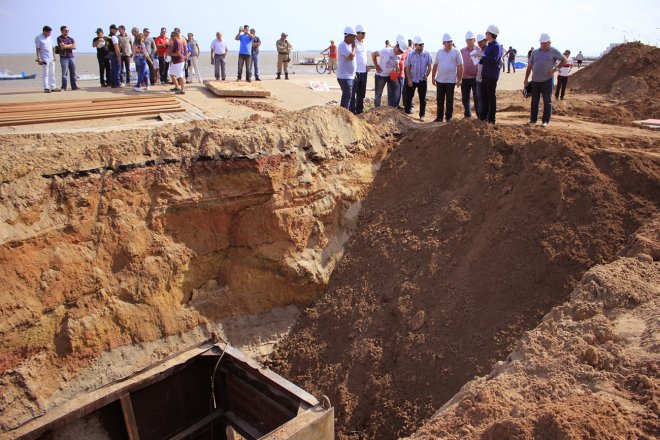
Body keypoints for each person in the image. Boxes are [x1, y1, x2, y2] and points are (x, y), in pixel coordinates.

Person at [524, 33, 567, 127]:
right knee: (534, 101)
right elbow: (530, 65)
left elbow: (564, 60)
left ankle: (545, 121)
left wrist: (555, 69)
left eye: (545, 43)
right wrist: (526, 79)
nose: (543, 45)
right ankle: (533, 120)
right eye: (541, 43)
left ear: (549, 42)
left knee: (547, 101)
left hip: (547, 80)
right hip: (535, 80)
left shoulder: (554, 51)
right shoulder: (535, 52)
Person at [432, 33, 463, 122]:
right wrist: (433, 77)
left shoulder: (456, 52)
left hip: (451, 80)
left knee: (449, 99)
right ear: (443, 43)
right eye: (447, 42)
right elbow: (435, 65)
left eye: (451, 41)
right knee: (440, 99)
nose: (449, 43)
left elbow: (460, 66)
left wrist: (459, 79)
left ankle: (448, 117)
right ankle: (439, 117)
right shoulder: (439, 52)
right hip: (440, 80)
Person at [403, 35, 433, 119]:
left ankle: (422, 115)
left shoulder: (427, 54)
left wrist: (426, 76)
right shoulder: (411, 55)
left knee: (422, 99)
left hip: (422, 80)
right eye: (420, 44)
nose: (422, 46)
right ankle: (407, 112)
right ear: (415, 45)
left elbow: (430, 66)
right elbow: (407, 67)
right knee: (409, 97)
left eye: (422, 44)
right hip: (412, 79)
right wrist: (409, 80)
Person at [372, 36, 406, 107]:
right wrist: (376, 65)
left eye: (401, 52)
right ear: (396, 46)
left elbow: (396, 63)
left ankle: (393, 109)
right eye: (399, 50)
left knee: (397, 90)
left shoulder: (399, 55)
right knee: (378, 94)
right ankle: (376, 110)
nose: (400, 53)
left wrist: (397, 68)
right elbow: (373, 54)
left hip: (391, 76)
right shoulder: (386, 51)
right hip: (381, 76)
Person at [479, 25, 503, 123]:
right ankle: (484, 117)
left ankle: (492, 119)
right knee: (484, 97)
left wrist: (483, 56)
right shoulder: (489, 45)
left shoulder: (497, 46)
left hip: (491, 76)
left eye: (486, 33)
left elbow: (494, 60)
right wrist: (481, 59)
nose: (485, 35)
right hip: (485, 75)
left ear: (490, 34)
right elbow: (487, 59)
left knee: (491, 98)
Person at [460, 31, 480, 118]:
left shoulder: (478, 50)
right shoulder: (462, 51)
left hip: (475, 78)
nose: (469, 41)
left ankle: (479, 115)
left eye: (470, 40)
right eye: (467, 40)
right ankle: (467, 114)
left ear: (474, 40)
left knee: (477, 97)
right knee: (465, 98)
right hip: (464, 78)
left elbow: (480, 63)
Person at [337, 26, 357, 109]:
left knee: (347, 96)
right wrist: (354, 48)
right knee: (347, 96)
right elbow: (351, 57)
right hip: (344, 77)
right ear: (347, 36)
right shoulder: (343, 45)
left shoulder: (348, 46)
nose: (354, 39)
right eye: (353, 36)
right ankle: (344, 114)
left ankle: (343, 113)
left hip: (349, 76)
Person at [350, 24, 368, 114]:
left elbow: (363, 56)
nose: (364, 35)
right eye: (362, 33)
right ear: (357, 34)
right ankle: (352, 111)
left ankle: (359, 110)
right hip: (356, 71)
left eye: (365, 33)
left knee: (361, 92)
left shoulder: (364, 43)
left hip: (364, 71)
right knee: (353, 92)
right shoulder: (353, 43)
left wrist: (366, 65)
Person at [35, 25, 58, 93]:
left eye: (50, 32)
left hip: (51, 58)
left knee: (52, 73)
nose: (49, 34)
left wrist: (54, 56)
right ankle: (46, 87)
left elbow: (53, 47)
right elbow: (38, 48)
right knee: (45, 73)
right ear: (44, 31)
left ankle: (53, 87)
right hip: (44, 58)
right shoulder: (39, 38)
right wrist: (39, 58)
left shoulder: (50, 37)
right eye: (48, 32)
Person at [57, 26, 78, 91]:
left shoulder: (71, 38)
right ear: (62, 31)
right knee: (64, 73)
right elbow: (62, 46)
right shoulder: (59, 38)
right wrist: (70, 45)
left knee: (73, 73)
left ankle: (74, 87)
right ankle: (63, 87)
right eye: (66, 30)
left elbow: (74, 47)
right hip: (64, 58)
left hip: (71, 57)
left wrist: (67, 46)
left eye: (68, 30)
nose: (67, 32)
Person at [168, 30, 186, 94]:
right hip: (175, 61)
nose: (171, 37)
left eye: (172, 36)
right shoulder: (174, 42)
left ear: (175, 36)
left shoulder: (177, 43)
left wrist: (170, 54)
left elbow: (178, 53)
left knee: (180, 75)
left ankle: (182, 89)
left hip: (179, 61)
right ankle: (177, 86)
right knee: (171, 74)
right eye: (171, 36)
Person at [474, 34, 487, 119]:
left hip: (487, 78)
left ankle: (486, 117)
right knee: (479, 98)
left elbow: (500, 63)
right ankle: (480, 117)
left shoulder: (489, 51)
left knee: (487, 98)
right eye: (478, 42)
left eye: (481, 42)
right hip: (479, 79)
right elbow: (475, 64)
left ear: (485, 41)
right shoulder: (478, 52)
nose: (480, 44)